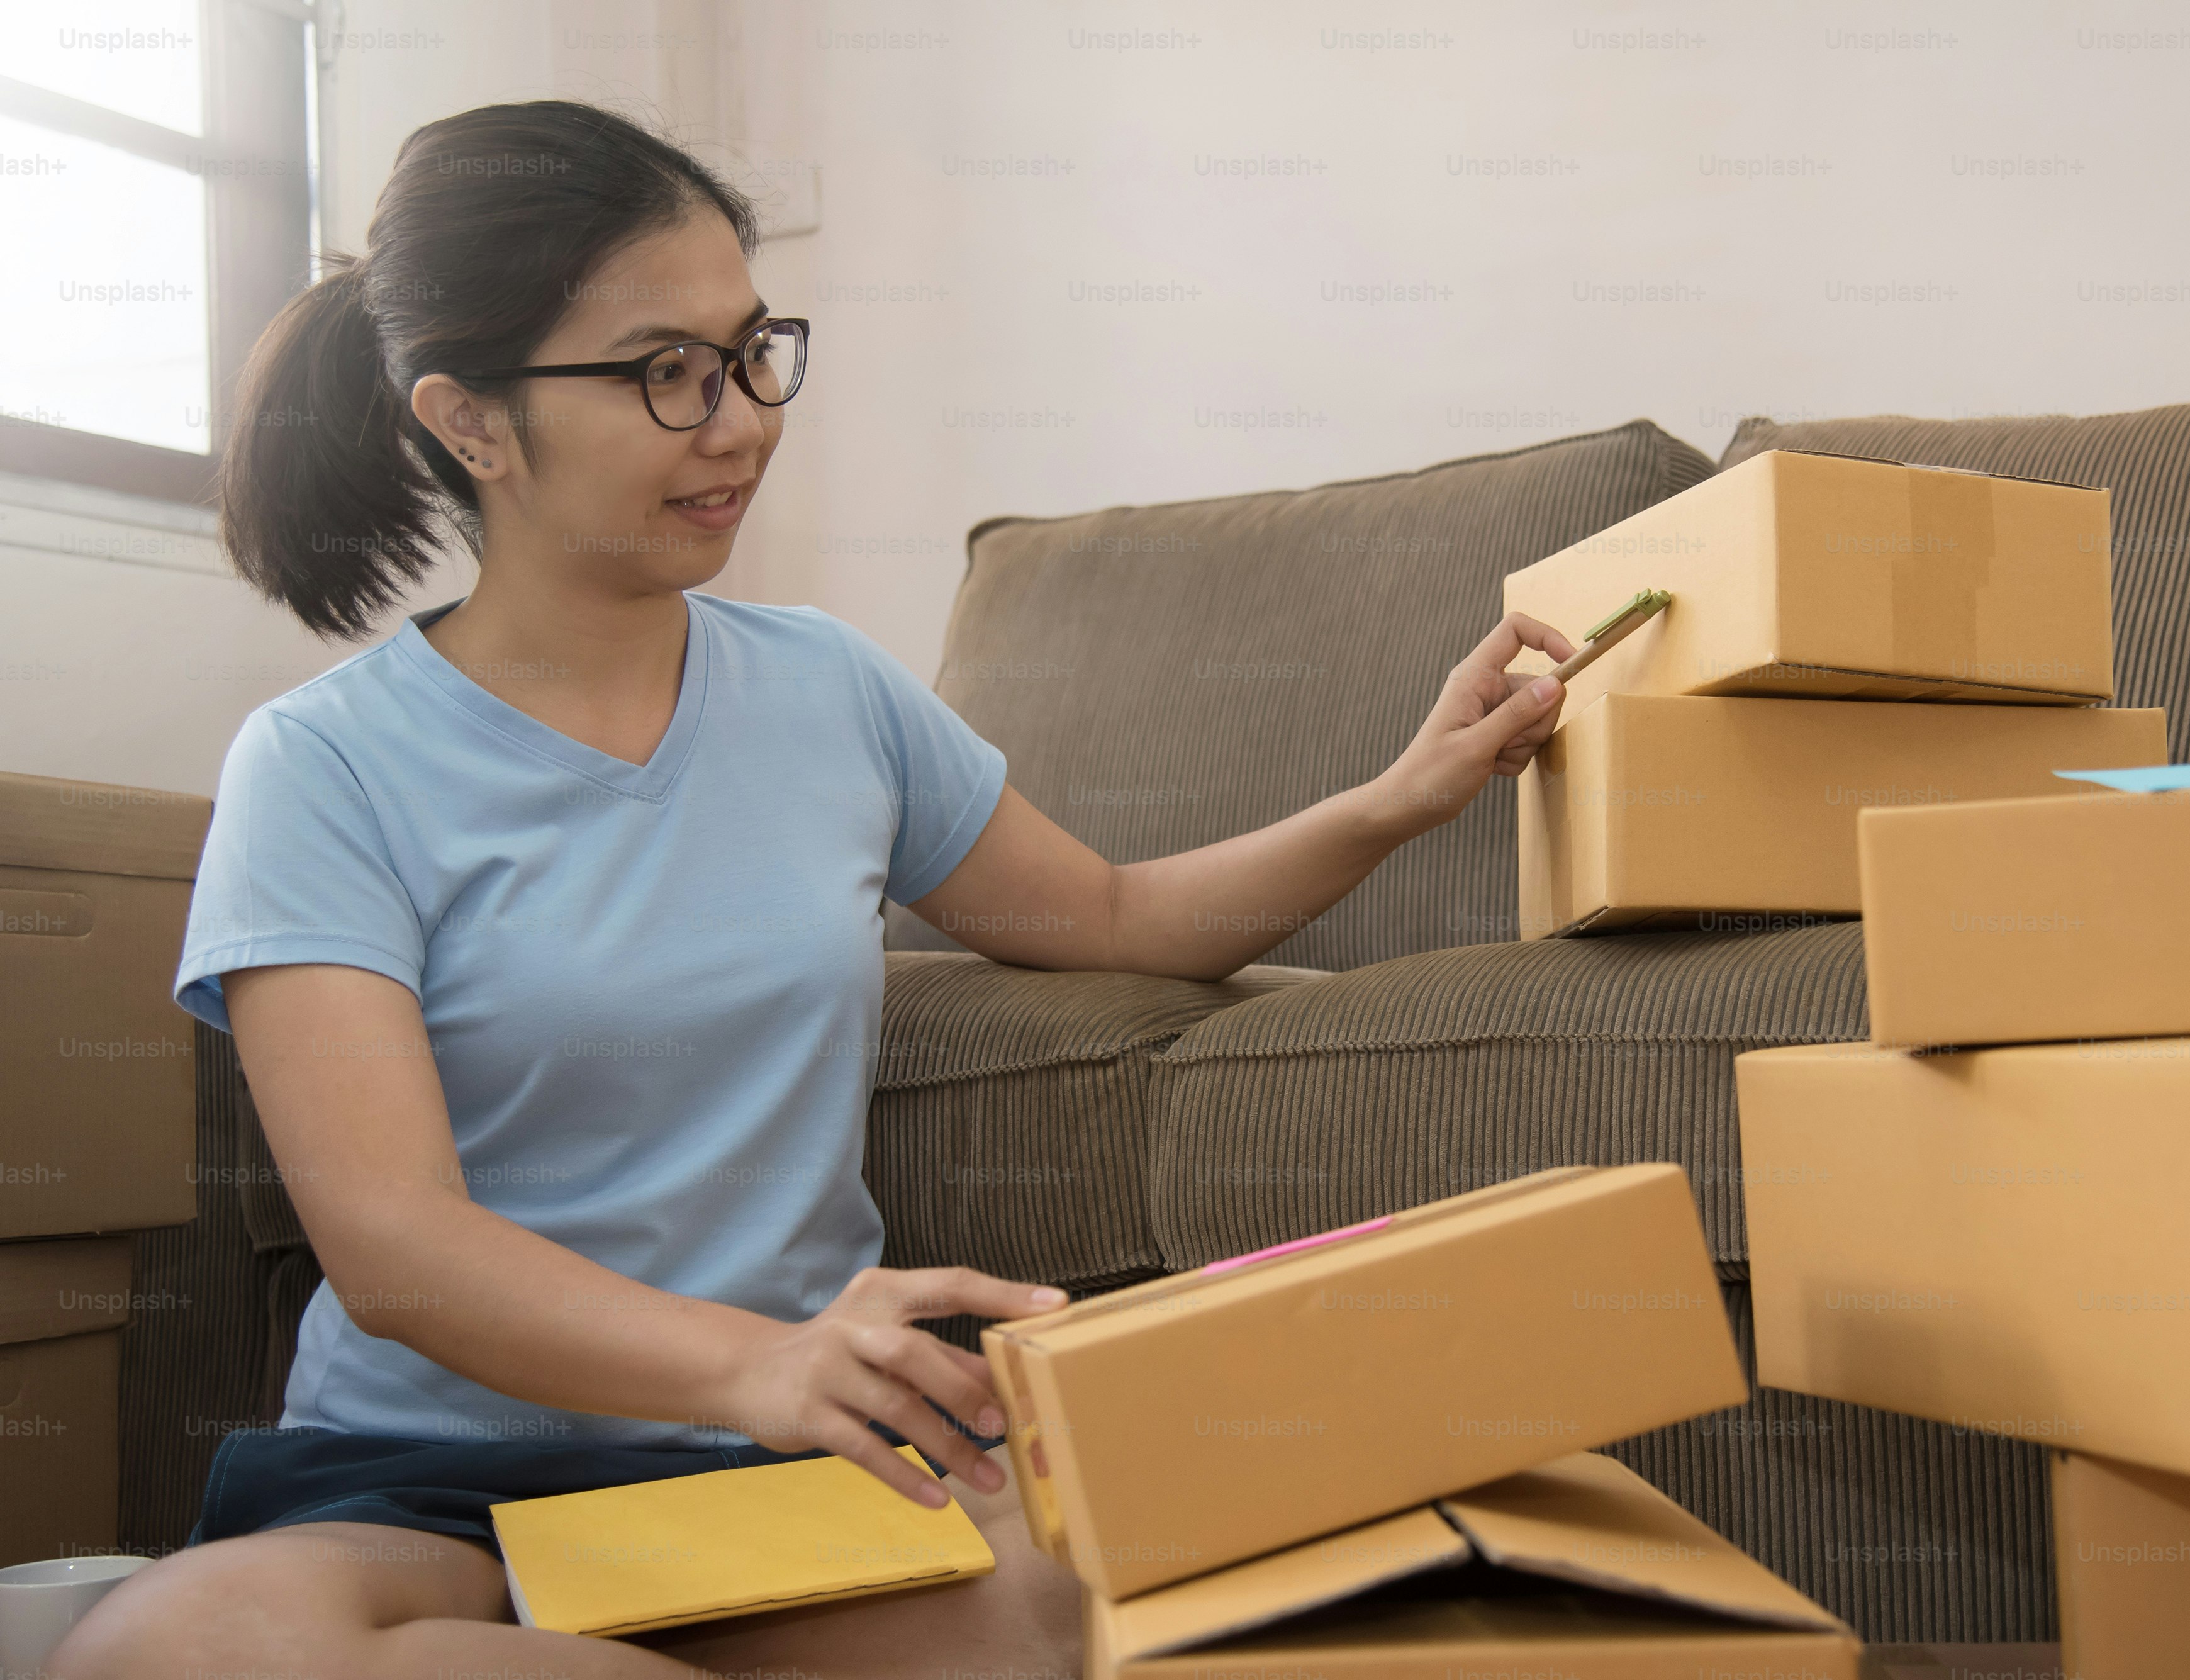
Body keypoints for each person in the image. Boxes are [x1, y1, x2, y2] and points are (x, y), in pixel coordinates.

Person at [56, 100, 1572, 1680]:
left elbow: (1115, 919)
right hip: (432, 1500)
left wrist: (1404, 798)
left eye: (748, 350)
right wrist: (756, 1365)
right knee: (167, 1649)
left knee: (1164, 1582)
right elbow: (398, 1247)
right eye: (665, 373)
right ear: (471, 421)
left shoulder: (828, 693)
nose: (740, 422)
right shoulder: (323, 766)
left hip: (773, 1492)